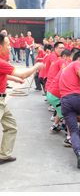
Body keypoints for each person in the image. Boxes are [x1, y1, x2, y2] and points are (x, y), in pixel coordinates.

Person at [0, 33, 44, 164]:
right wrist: (36, 67)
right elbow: (23, 74)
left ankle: (4, 155)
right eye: (8, 44)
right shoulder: (1, 62)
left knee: (11, 126)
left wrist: (15, 79)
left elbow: (4, 74)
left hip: (2, 100)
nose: (10, 47)